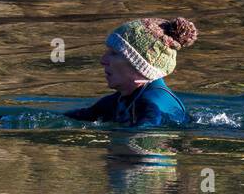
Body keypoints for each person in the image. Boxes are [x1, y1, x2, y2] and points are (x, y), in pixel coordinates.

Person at [65, 17, 197, 127]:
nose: (103, 60)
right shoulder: (117, 102)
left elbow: (148, 142)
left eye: (114, 54)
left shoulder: (152, 105)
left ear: (139, 66)